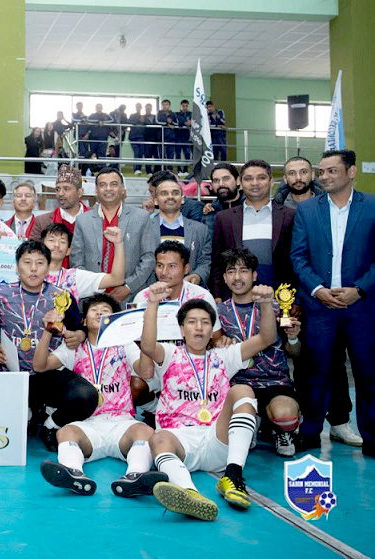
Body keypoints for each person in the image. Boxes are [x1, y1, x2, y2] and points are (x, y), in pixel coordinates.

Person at [141, 283, 279, 520]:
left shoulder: (224, 356)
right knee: (157, 438)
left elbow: (266, 338)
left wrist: (266, 304)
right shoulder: (171, 353)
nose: (199, 327)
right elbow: (147, 346)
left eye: (205, 322)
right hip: (180, 442)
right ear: (182, 329)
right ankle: (189, 494)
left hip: (217, 440)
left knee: (243, 390)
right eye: (192, 322)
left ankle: (233, 476)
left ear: (211, 329)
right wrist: (152, 303)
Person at [36, 293, 165, 497]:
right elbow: (40, 365)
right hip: (87, 423)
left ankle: (136, 476)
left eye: (106, 311)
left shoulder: (125, 345)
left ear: (115, 320)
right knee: (66, 433)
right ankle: (74, 474)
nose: (99, 313)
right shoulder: (74, 347)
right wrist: (47, 331)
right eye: (94, 310)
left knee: (145, 432)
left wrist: (142, 337)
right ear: (84, 320)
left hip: (121, 423)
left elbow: (146, 372)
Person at [291, 149, 375, 457]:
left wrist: (359, 290)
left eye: (331, 171)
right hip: (320, 307)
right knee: (316, 371)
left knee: (368, 373)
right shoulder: (307, 211)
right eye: (321, 171)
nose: (324, 176)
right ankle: (310, 432)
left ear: (351, 172)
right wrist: (317, 289)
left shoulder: (372, 207)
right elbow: (298, 256)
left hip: (362, 307)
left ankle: (372, 436)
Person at [0, 240, 91, 449]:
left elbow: (80, 327)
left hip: (47, 376)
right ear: (17, 267)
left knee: (86, 397)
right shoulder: (0, 295)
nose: (33, 269)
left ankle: (50, 425)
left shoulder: (62, 297)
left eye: (40, 263)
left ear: (48, 266)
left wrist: (79, 334)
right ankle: (30, 412)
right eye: (27, 262)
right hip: (11, 375)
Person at [216, 248, 302, 456]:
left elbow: (294, 352)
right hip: (236, 384)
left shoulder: (277, 308)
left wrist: (293, 338)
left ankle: (282, 430)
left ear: (254, 275)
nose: (237, 277)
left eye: (244, 271)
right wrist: (218, 342)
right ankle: (250, 422)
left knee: (285, 415)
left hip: (274, 382)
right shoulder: (217, 312)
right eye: (231, 272)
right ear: (224, 278)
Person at [210, 159, 295, 300]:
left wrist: (296, 298)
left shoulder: (290, 216)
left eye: (261, 178)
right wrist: (217, 294)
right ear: (240, 183)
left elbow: (296, 260)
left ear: (271, 182)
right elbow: (218, 261)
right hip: (236, 296)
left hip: (281, 296)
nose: (255, 183)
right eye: (248, 179)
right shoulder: (224, 218)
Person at [70, 167, 157, 302]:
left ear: (122, 189)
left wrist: (128, 287)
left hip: (130, 296)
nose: (108, 189)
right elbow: (77, 261)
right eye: (103, 185)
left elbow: (149, 257)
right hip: (92, 299)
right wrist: (94, 288)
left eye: (114, 184)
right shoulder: (83, 220)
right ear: (96, 190)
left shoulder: (141, 217)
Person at [146, 171, 212, 285]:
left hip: (189, 291)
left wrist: (197, 275)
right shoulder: (144, 228)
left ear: (182, 199)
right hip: (152, 290)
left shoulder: (201, 230)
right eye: (164, 193)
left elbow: (205, 261)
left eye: (175, 193)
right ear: (155, 200)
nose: (170, 197)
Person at [40, 223, 125, 295]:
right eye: (51, 240)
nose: (57, 245)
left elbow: (116, 279)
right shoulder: (32, 273)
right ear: (41, 245)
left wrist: (118, 244)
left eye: (62, 241)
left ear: (68, 251)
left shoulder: (74, 277)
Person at [30, 165, 89, 267]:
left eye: (66, 189)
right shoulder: (42, 222)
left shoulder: (95, 218)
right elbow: (32, 254)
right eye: (57, 189)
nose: (60, 193)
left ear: (80, 192)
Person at [156, 100, 177, 170]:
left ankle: (170, 171)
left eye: (166, 104)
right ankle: (163, 170)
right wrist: (167, 123)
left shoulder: (173, 114)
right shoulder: (159, 113)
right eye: (163, 105)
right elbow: (157, 121)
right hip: (161, 137)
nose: (165, 106)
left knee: (170, 156)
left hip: (171, 138)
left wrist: (172, 123)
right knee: (161, 155)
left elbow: (177, 123)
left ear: (169, 105)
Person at [174, 100, 193, 173]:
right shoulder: (176, 114)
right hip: (178, 136)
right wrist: (185, 123)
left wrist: (191, 123)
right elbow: (176, 122)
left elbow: (195, 122)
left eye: (186, 106)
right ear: (180, 106)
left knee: (187, 154)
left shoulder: (191, 114)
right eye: (183, 106)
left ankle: (185, 169)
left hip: (187, 137)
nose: (185, 107)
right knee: (178, 153)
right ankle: (179, 169)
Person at [128, 102, 145, 174]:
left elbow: (146, 124)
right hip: (133, 137)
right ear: (135, 107)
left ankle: (139, 169)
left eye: (139, 107)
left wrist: (143, 120)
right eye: (137, 106)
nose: (138, 108)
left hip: (141, 137)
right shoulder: (132, 115)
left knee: (140, 153)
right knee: (136, 152)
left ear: (141, 108)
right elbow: (130, 122)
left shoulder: (143, 116)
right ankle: (136, 169)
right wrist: (139, 120)